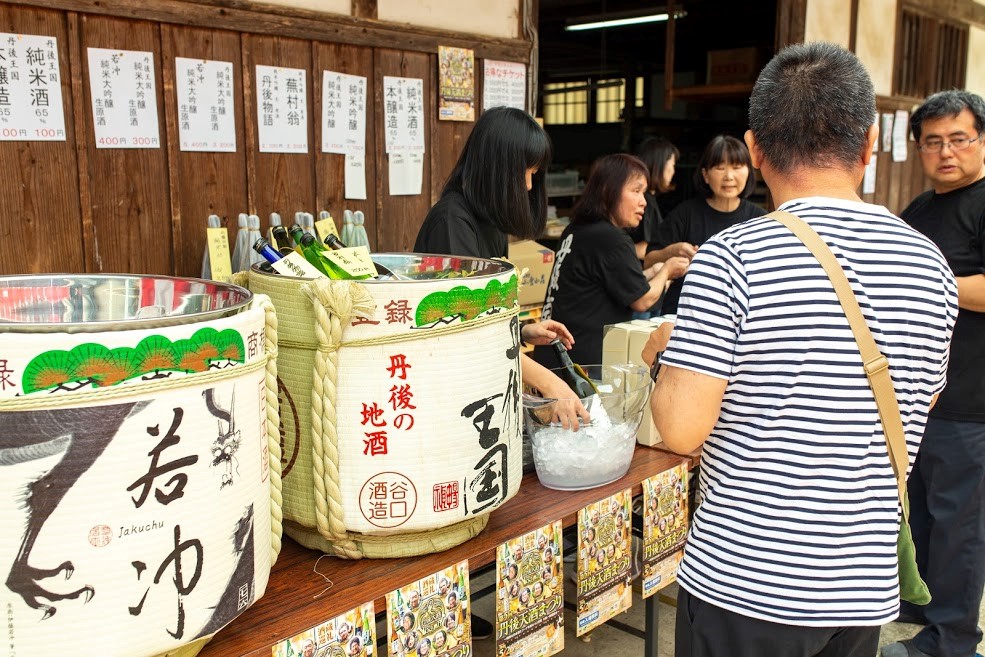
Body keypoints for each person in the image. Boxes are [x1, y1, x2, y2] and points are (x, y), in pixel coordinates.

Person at [643, 42, 957, 657]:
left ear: (755, 150)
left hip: (745, 584)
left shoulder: (732, 258)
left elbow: (680, 429)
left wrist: (669, 353)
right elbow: (927, 393)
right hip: (859, 589)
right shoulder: (928, 262)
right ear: (869, 145)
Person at [881, 90, 985, 657]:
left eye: (959, 138)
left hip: (972, 397)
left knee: (960, 526)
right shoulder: (921, 208)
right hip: (920, 395)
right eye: (933, 142)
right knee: (918, 508)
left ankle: (952, 640)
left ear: (982, 140)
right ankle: (919, 601)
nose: (946, 152)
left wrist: (929, 280)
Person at [414, 106, 590, 430]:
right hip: (450, 396)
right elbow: (470, 334)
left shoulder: (488, 223)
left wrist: (522, 330)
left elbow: (486, 315)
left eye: (534, 175)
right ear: (498, 169)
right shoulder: (452, 222)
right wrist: (549, 383)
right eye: (526, 172)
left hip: (477, 386)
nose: (527, 186)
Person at [533, 153, 689, 367]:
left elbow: (611, 285)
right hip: (581, 364)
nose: (643, 202)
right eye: (636, 191)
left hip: (554, 356)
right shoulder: (611, 238)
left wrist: (654, 271)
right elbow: (642, 300)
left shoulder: (578, 229)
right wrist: (667, 271)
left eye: (644, 193)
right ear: (608, 191)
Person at [643, 134, 765, 315]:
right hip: (684, 316)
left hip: (743, 318)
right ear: (705, 175)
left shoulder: (760, 220)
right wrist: (671, 252)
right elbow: (648, 262)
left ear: (749, 172)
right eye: (720, 168)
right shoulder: (685, 214)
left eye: (737, 167)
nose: (729, 176)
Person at [628, 136, 681, 260]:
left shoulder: (645, 198)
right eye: (672, 165)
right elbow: (644, 249)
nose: (673, 171)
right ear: (660, 166)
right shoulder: (645, 201)